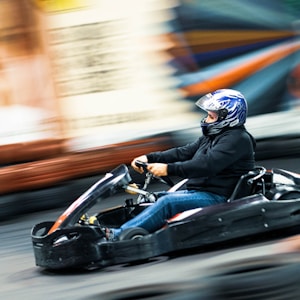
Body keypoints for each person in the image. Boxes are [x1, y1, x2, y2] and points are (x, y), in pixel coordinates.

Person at [105, 88, 256, 240]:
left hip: (218, 197)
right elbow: (183, 152)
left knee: (167, 202)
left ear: (228, 116)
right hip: (200, 191)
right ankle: (108, 225)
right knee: (151, 198)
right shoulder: (213, 136)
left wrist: (168, 169)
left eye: (211, 116)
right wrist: (149, 157)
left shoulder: (238, 139)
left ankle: (118, 236)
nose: (206, 119)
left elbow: (207, 165)